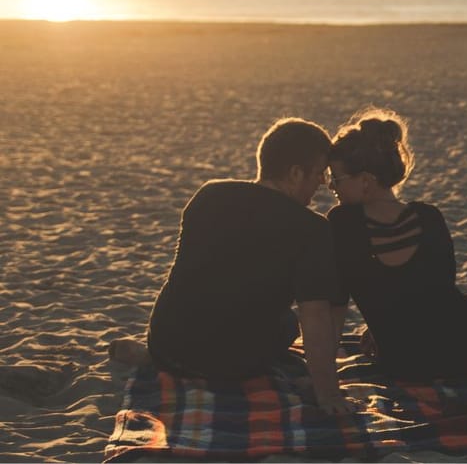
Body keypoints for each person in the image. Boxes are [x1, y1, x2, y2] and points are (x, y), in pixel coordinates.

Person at [110, 118, 352, 415]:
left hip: (165, 345)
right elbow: (313, 317)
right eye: (318, 173)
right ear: (295, 173)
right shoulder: (311, 228)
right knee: (288, 323)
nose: (322, 183)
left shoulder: (209, 194)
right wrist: (327, 393)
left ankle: (151, 360)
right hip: (229, 364)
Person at [326, 107, 467, 381]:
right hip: (461, 343)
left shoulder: (342, 223)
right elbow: (436, 292)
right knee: (466, 311)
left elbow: (337, 301)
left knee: (432, 335)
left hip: (401, 357)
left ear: (365, 181)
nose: (330, 187)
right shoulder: (428, 217)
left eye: (336, 178)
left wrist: (328, 364)